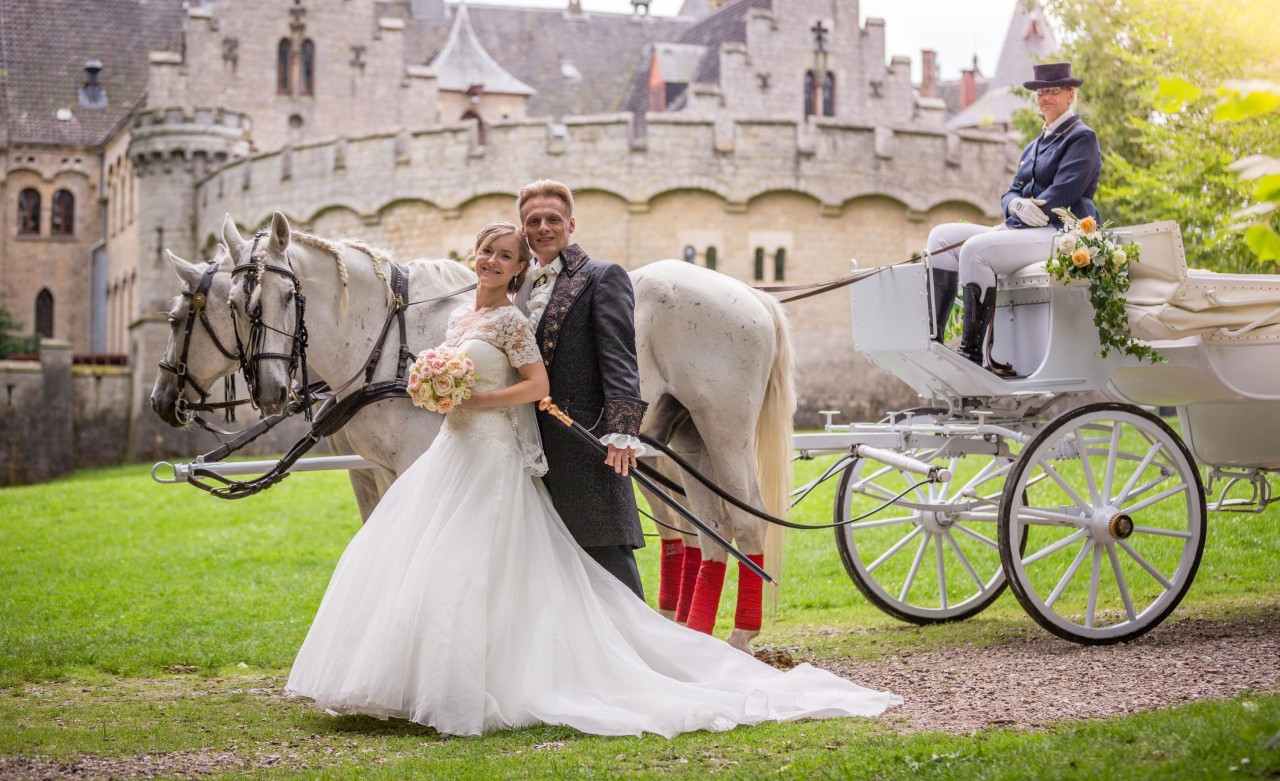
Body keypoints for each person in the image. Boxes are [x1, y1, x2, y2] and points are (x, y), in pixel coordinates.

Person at [285, 222, 901, 737]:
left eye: (506, 255)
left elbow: (542, 384)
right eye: (487, 252)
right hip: (459, 449)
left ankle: (718, 632)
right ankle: (430, 675)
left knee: (491, 562)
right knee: (443, 561)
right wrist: (440, 391)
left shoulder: (517, 319)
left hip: (496, 444)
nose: (492, 261)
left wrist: (487, 401)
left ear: (527, 257)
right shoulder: (461, 321)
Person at [514, 179, 647, 599]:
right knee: (549, 566)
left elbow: (620, 356)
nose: (544, 228)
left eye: (553, 219)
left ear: (571, 224)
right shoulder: (516, 286)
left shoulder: (602, 276)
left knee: (608, 561)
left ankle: (640, 653)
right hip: (528, 445)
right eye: (533, 221)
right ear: (523, 229)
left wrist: (622, 432)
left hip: (586, 440)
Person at [926, 62, 1102, 372]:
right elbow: (1010, 193)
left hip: (1061, 233)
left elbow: (1063, 193)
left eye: (1052, 90)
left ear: (1070, 94)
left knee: (975, 249)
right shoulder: (1034, 145)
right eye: (1040, 91)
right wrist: (1014, 207)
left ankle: (971, 353)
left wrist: (1025, 208)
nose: (1044, 97)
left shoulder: (1081, 138)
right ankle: (935, 341)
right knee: (941, 236)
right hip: (1022, 228)